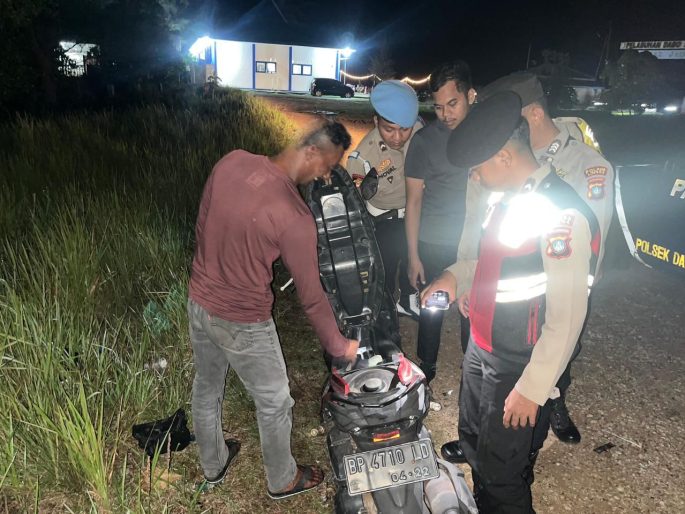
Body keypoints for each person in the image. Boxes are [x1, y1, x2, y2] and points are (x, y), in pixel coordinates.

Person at [423, 91, 602, 512]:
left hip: (517, 361)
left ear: (503, 157)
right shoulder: (505, 198)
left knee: (502, 472)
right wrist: (454, 277)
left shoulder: (560, 215)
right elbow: (488, 260)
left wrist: (533, 388)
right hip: (482, 345)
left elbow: (567, 317)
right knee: (472, 437)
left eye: (478, 167)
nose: (475, 177)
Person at [187, 119, 359, 498]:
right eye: (327, 166)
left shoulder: (231, 161)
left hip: (198, 301)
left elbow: (202, 226)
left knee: (207, 386)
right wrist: (338, 345)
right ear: (311, 151)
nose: (325, 175)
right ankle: (282, 479)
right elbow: (311, 297)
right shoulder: (295, 217)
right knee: (275, 401)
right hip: (244, 320)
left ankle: (213, 464)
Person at [471, 72, 614, 444]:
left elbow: (588, 249)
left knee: (554, 359)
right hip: (513, 294)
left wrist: (541, 375)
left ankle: (552, 401)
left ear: (533, 114)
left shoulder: (587, 165)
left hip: (559, 288)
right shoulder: (508, 159)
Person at [404, 60, 484, 384]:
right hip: (435, 239)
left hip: (476, 240)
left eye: (453, 103)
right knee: (432, 307)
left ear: (471, 96)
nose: (445, 114)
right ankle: (427, 364)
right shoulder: (423, 142)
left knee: (473, 307)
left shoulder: (488, 136)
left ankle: (473, 366)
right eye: (438, 107)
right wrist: (413, 255)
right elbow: (413, 200)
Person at [347, 79, 423, 320]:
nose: (398, 137)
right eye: (389, 129)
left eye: (404, 129)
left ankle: (408, 300)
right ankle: (387, 312)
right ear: (376, 121)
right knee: (385, 271)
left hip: (415, 213)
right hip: (384, 221)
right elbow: (354, 201)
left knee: (415, 261)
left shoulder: (419, 131)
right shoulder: (362, 158)